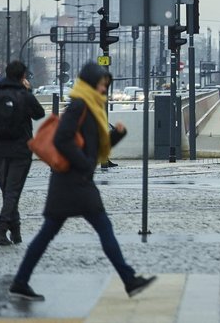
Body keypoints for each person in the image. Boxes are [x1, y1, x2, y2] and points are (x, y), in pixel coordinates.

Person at [9, 62, 156, 301]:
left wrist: (116, 136)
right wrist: (86, 165)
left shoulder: (90, 106)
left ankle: (20, 281)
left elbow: (92, 148)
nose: (103, 89)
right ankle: (129, 279)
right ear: (90, 83)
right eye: (101, 84)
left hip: (71, 181)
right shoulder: (79, 106)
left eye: (105, 85)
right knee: (102, 228)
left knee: (48, 233)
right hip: (73, 181)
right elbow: (63, 140)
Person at [0, 60, 45, 246]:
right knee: (12, 192)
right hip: (20, 151)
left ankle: (16, 232)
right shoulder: (24, 95)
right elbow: (39, 114)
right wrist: (27, 91)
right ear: (23, 76)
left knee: (8, 193)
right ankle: (1, 231)